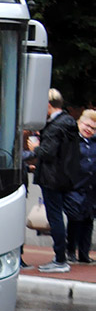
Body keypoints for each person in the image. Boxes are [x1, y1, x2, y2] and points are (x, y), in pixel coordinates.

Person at [26, 88, 81, 273]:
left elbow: (47, 153)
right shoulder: (68, 122)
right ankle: (63, 256)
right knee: (61, 216)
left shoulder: (54, 127)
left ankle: (59, 259)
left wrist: (35, 147)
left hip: (51, 177)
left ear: (48, 106)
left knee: (55, 217)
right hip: (65, 176)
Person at [65, 108, 96, 264]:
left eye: (93, 128)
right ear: (80, 122)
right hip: (74, 187)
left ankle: (84, 254)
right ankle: (70, 250)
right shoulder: (72, 141)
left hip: (91, 190)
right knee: (75, 220)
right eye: (87, 125)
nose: (89, 130)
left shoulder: (94, 144)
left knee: (88, 222)